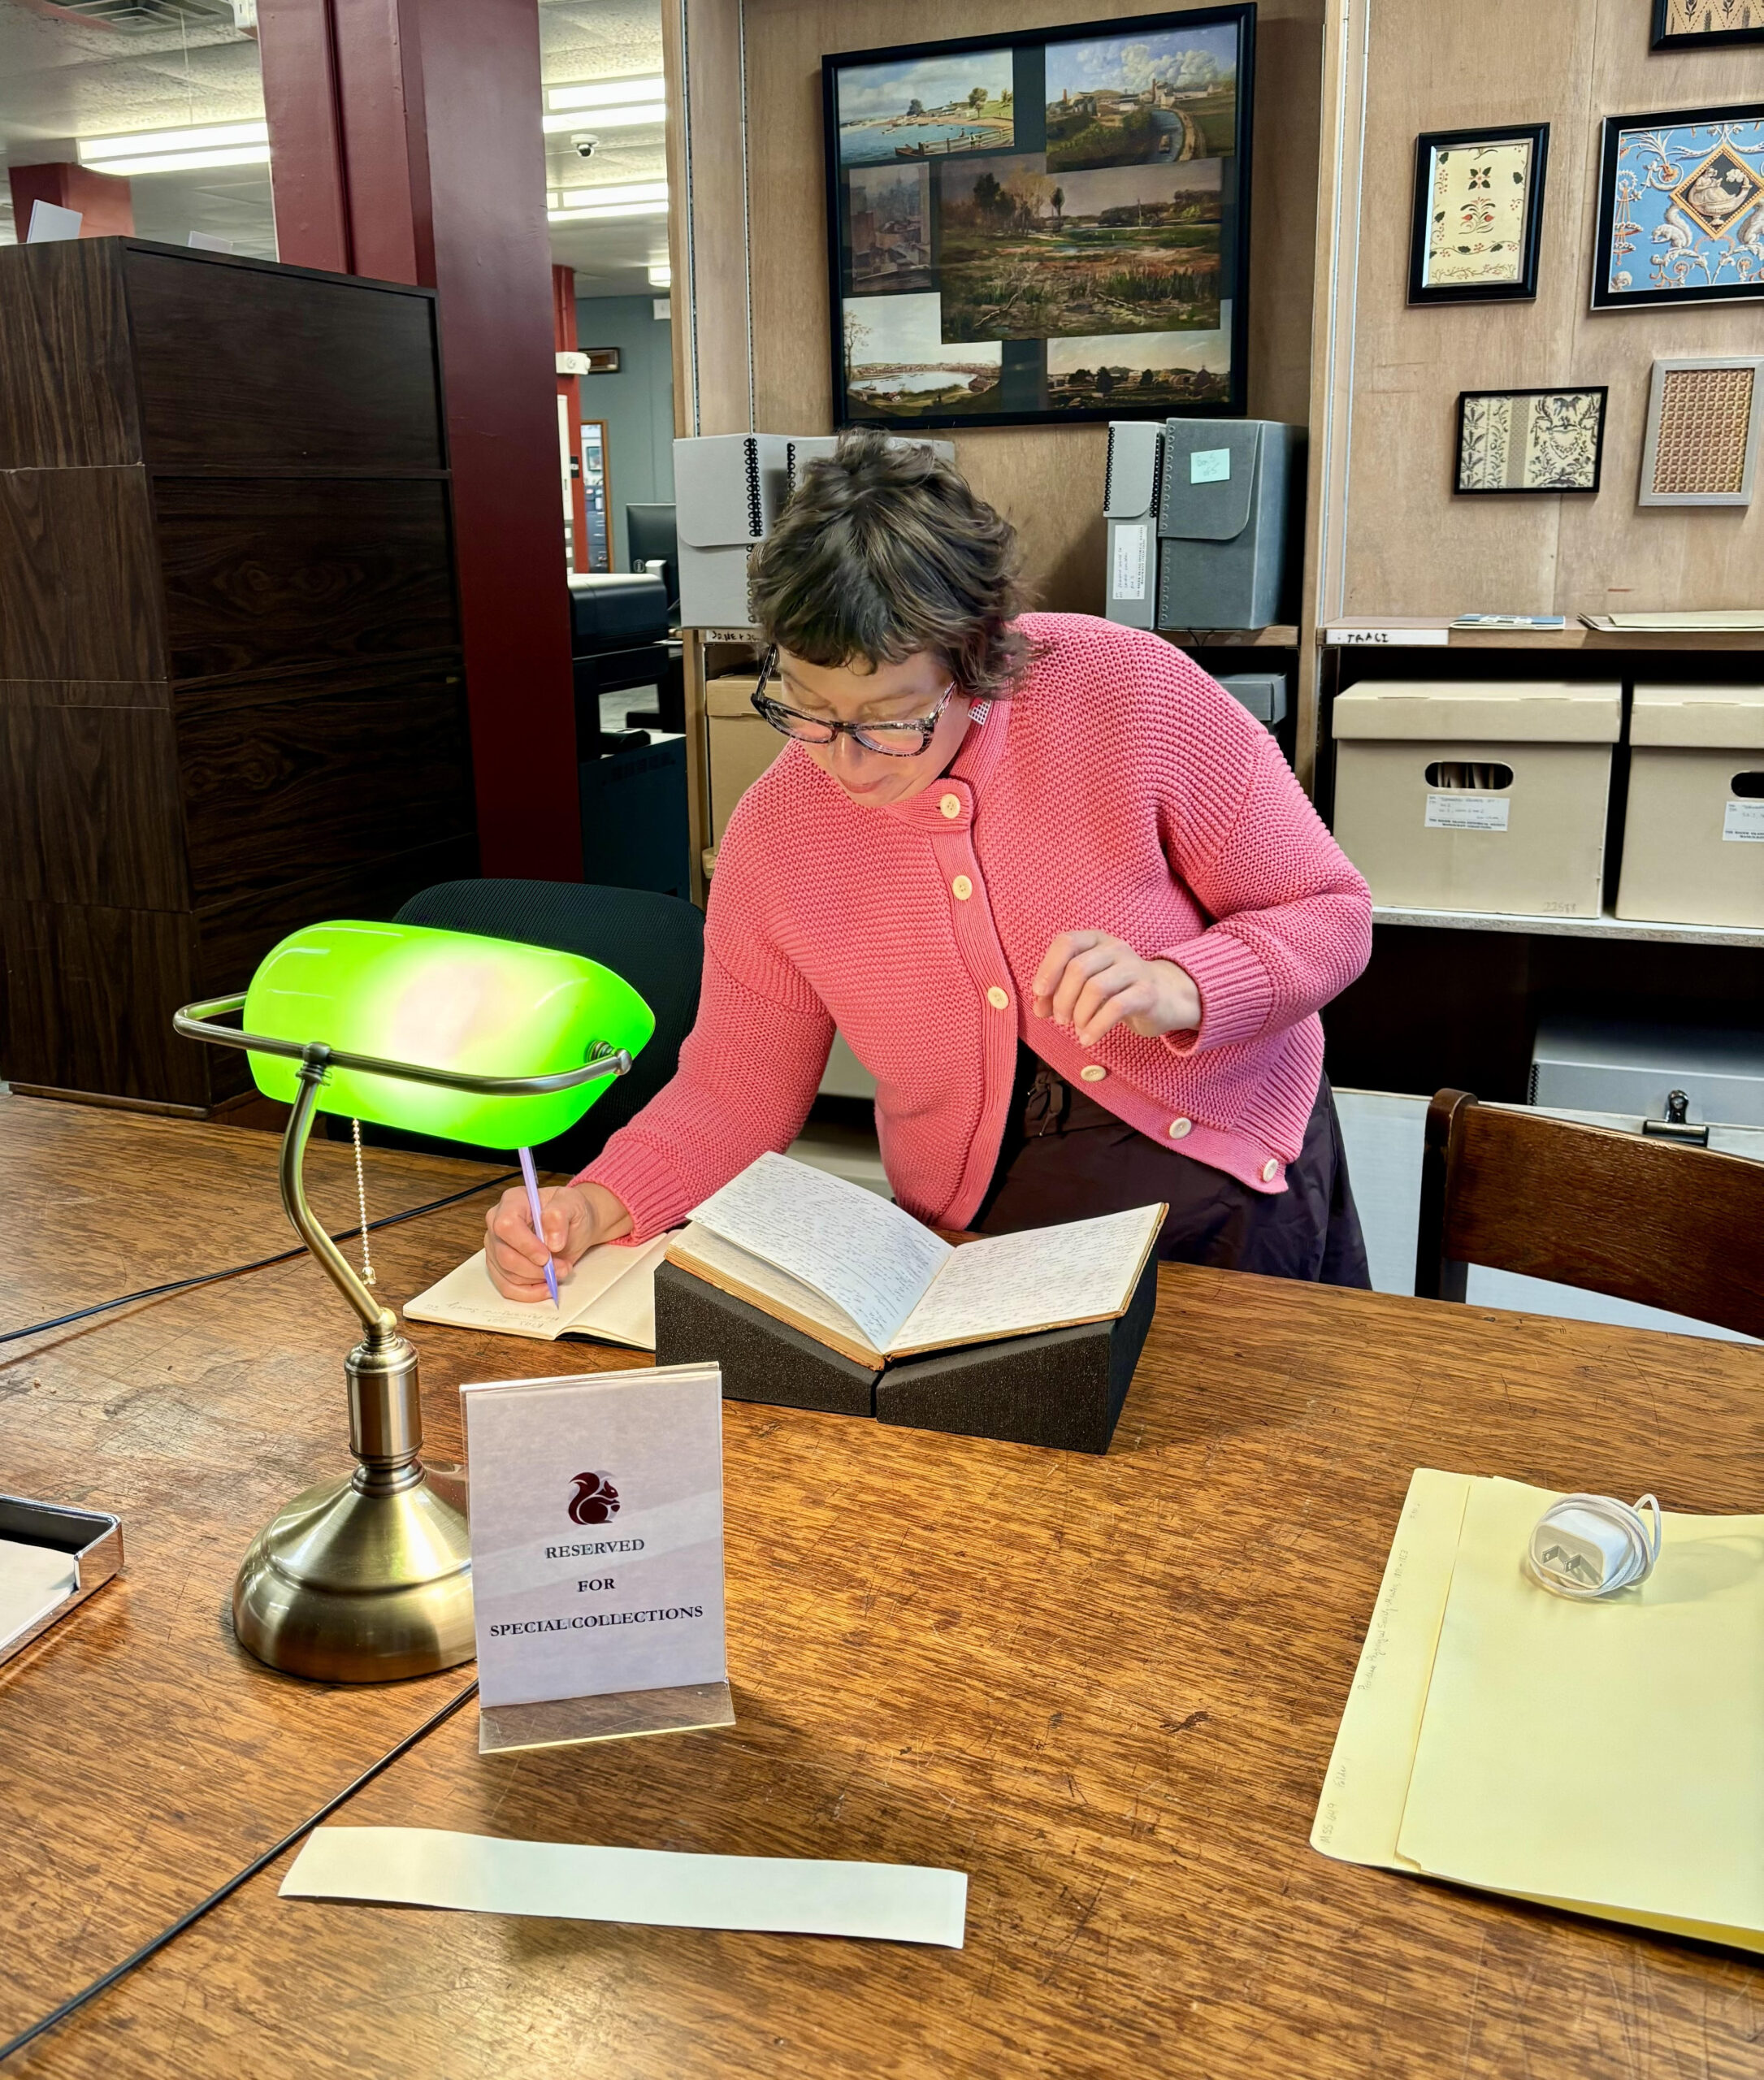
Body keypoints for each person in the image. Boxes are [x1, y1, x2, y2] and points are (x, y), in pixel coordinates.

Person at [487, 431, 1373, 1298]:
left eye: (890, 716)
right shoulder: (778, 831)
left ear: (978, 657)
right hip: (969, 1228)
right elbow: (734, 1087)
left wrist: (1182, 983)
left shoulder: (1126, 690)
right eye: (805, 705)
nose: (848, 760)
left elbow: (1327, 909)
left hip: (1222, 1179)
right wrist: (603, 1200)